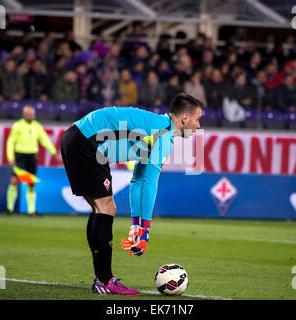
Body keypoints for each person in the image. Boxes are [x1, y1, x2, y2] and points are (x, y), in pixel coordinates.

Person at [59, 93, 204, 295]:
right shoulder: (162, 133)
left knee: (99, 207)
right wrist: (145, 229)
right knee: (106, 207)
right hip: (85, 142)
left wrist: (137, 225)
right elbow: (150, 182)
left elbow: (138, 180)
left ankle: (101, 279)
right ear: (185, 118)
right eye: (197, 119)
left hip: (76, 138)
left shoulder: (158, 127)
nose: (198, 126)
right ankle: (104, 280)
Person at [6, 105, 60, 215]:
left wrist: (54, 152)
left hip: (31, 157)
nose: (32, 116)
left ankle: (31, 210)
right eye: (30, 114)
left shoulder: (37, 126)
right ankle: (9, 209)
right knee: (14, 181)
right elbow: (10, 142)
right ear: (24, 115)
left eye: (33, 114)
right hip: (20, 156)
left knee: (31, 183)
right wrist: (10, 157)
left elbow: (45, 140)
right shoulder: (18, 126)